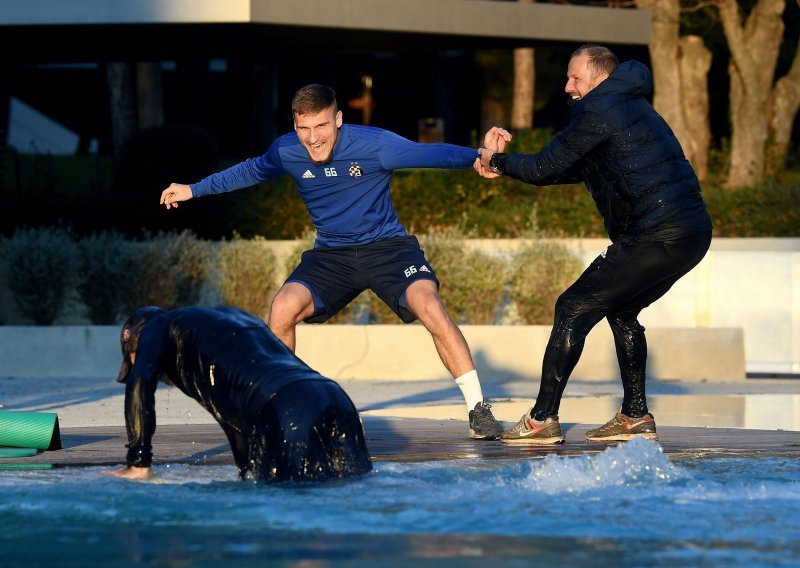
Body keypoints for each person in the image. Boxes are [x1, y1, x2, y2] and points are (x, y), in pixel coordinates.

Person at [160, 84, 511, 440]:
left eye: (322, 126)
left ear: (338, 119)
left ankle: (478, 409)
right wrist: (193, 189)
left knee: (429, 305)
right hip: (331, 255)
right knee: (282, 308)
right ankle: (285, 406)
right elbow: (250, 170)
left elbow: (430, 153)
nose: (312, 138)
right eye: (304, 128)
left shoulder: (374, 145)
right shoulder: (285, 150)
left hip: (387, 249)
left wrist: (482, 158)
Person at [476, 45, 713, 445]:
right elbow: (571, 167)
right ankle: (634, 415)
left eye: (575, 78)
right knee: (621, 310)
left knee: (572, 306)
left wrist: (496, 162)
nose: (567, 87)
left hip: (656, 234)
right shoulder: (628, 103)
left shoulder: (599, 110)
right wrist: (507, 166)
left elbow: (544, 166)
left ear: (600, 78)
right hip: (692, 233)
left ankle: (541, 420)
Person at [104, 306, 373, 482]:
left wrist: (138, 462)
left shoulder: (158, 326)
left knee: (292, 515)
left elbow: (139, 381)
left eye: (136, 359)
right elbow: (240, 428)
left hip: (285, 409)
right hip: (335, 398)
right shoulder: (224, 321)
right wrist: (248, 473)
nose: (162, 380)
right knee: (353, 489)